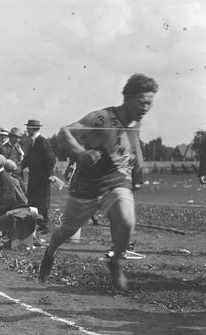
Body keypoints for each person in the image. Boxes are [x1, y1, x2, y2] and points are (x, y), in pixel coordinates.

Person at [38, 73, 158, 292]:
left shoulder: (135, 122)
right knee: (67, 230)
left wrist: (139, 168)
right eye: (141, 102)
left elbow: (134, 142)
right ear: (127, 98)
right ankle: (49, 252)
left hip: (116, 181)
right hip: (87, 186)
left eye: (150, 103)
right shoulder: (102, 118)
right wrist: (81, 153)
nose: (145, 107)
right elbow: (64, 134)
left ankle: (116, 261)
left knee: (126, 220)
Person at [20, 119, 55, 234]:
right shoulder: (32, 142)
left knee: (42, 202)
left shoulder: (42, 142)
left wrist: (49, 174)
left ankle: (44, 226)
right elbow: (28, 159)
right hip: (34, 177)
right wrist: (19, 167)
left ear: (34, 129)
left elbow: (51, 158)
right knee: (33, 200)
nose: (26, 130)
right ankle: (37, 224)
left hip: (42, 179)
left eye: (28, 128)